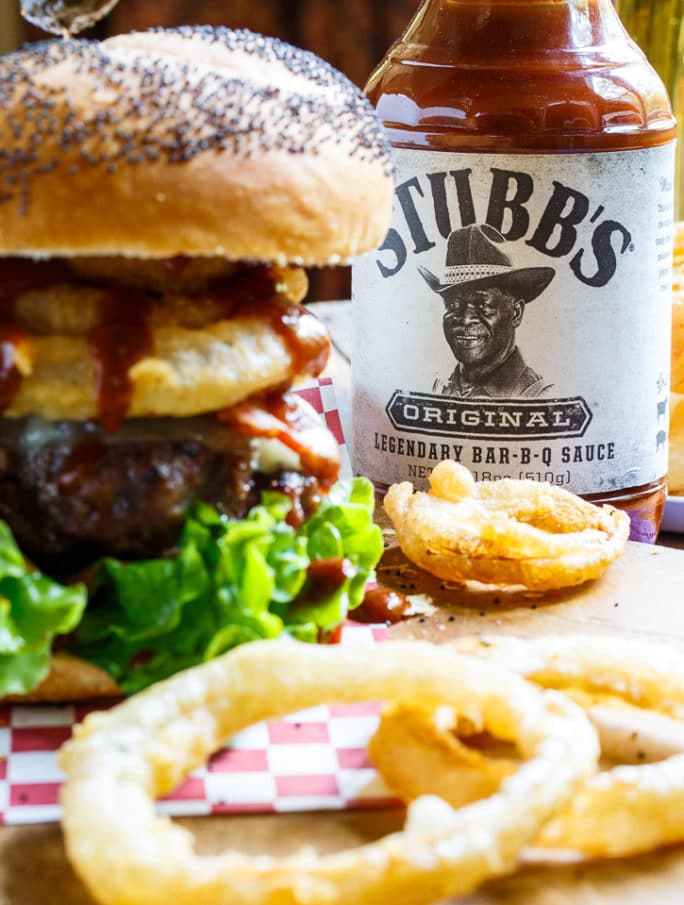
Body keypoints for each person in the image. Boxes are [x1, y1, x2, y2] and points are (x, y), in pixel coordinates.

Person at [418, 224, 555, 398]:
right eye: (453, 305)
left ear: (516, 313)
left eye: (482, 304)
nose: (465, 319)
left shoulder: (540, 396)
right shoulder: (438, 387)